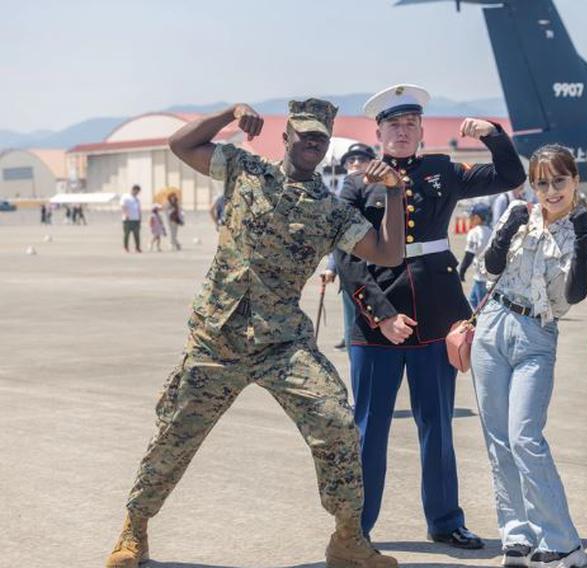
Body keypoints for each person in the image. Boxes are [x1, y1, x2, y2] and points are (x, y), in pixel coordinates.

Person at [103, 99, 404, 568]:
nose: (311, 143)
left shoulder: (330, 211)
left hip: (281, 343)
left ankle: (348, 537)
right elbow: (180, 143)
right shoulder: (244, 169)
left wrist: (395, 192)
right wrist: (229, 113)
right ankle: (134, 528)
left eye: (320, 139)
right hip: (215, 339)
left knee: (336, 423)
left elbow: (386, 254)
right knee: (175, 434)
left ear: (325, 148)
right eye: (303, 135)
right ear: (285, 137)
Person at [334, 84, 526, 548]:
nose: (402, 131)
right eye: (393, 124)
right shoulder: (356, 183)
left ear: (420, 129)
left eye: (410, 123)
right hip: (375, 320)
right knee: (369, 429)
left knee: (437, 425)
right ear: (378, 131)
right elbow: (347, 258)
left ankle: (445, 520)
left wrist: (493, 134)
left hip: (437, 313)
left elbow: (509, 174)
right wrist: (380, 315)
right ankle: (357, 529)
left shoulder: (441, 170)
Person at [472, 145, 587, 568]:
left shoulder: (585, 229)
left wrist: (581, 237)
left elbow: (575, 294)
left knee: (524, 437)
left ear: (576, 181)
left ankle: (563, 540)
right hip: (493, 324)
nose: (550, 191)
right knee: (497, 439)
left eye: (559, 181)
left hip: (536, 332)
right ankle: (516, 533)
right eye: (542, 182)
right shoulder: (519, 215)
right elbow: (487, 269)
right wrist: (508, 226)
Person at [323, 143, 378, 351]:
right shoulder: (341, 196)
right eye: (351, 160)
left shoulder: (383, 192)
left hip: (380, 272)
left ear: (372, 163)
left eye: (362, 159)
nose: (355, 163)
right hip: (350, 272)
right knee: (351, 327)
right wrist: (331, 267)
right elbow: (340, 238)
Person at [458, 202, 493, 308]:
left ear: (477, 218)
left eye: (471, 216)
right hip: (489, 275)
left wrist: (462, 271)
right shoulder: (491, 231)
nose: (470, 218)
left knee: (481, 308)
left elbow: (469, 255)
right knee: (472, 302)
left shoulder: (474, 232)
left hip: (480, 277)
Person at [121, 185, 142, 253]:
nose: (137, 193)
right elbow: (123, 206)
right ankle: (126, 247)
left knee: (137, 234)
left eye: (138, 192)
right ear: (133, 190)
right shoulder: (126, 197)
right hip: (127, 219)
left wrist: (140, 217)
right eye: (136, 191)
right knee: (127, 234)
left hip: (136, 219)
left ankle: (137, 248)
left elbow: (138, 209)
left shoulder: (137, 199)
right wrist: (126, 214)